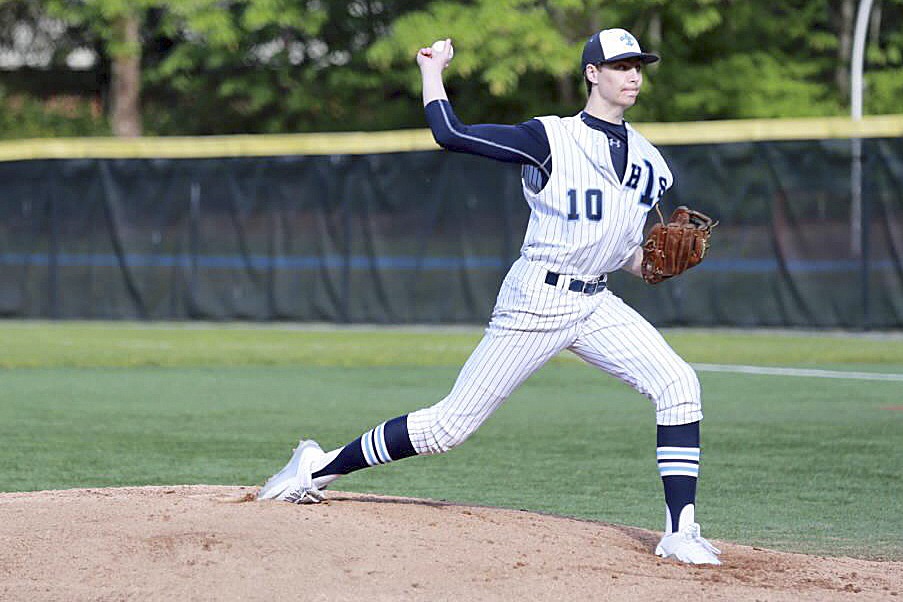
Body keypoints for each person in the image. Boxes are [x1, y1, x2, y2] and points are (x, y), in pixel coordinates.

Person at [258, 28, 721, 565]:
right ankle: (316, 468)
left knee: (678, 384)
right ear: (593, 74)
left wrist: (656, 267)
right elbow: (450, 134)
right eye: (620, 66)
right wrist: (433, 72)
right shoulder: (549, 137)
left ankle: (680, 531)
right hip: (537, 299)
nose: (633, 75)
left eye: (638, 65)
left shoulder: (650, 162)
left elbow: (628, 257)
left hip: (596, 302)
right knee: (447, 428)